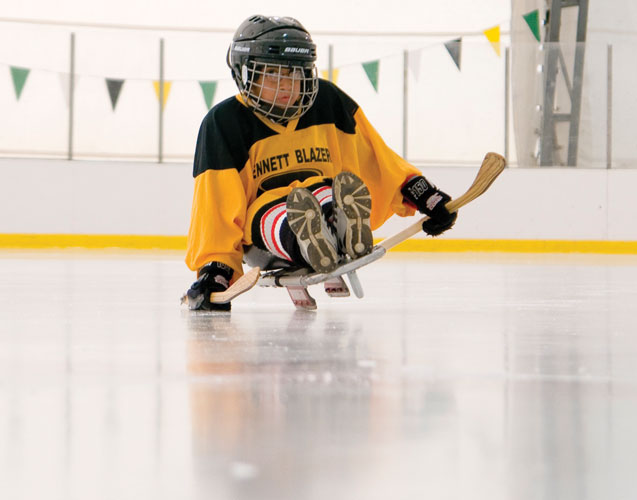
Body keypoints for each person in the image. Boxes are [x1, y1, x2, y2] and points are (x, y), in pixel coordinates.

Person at [182, 15, 460, 311]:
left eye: (294, 74)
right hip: (263, 231)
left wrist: (421, 195)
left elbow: (376, 158)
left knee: (329, 192)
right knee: (284, 211)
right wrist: (216, 268)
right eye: (272, 75)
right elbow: (216, 204)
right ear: (246, 74)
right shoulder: (223, 122)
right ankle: (310, 238)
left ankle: (338, 229)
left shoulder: (328, 101)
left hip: (321, 197)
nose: (285, 86)